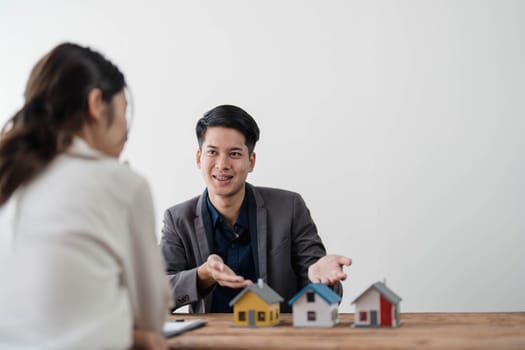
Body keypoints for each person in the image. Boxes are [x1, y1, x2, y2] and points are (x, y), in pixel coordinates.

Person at [0, 43, 171, 349]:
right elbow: (153, 315)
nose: (126, 131)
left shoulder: (9, 180)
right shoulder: (121, 184)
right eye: (123, 112)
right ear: (96, 104)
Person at [161, 104, 352, 313]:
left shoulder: (290, 208)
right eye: (212, 152)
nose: (222, 164)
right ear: (199, 158)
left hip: (276, 339)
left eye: (234, 154)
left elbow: (324, 295)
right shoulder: (178, 219)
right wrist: (202, 276)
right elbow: (156, 297)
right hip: (212, 341)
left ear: (251, 161)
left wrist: (324, 283)